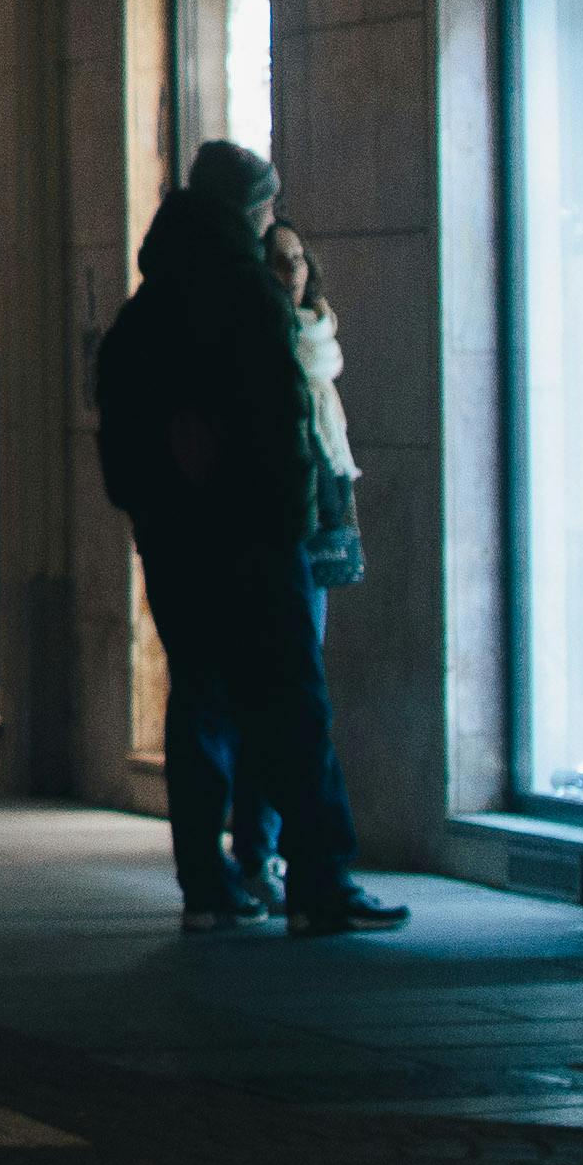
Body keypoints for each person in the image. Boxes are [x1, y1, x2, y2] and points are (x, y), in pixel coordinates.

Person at [100, 143, 407, 940]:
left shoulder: (149, 308)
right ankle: (318, 880)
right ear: (247, 210)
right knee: (293, 708)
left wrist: (154, 512)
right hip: (254, 544)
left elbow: (123, 440)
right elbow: (280, 432)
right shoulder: (246, 299)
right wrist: (289, 528)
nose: (274, 218)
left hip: (175, 544)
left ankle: (206, 886)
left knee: (199, 705)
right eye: (266, 206)